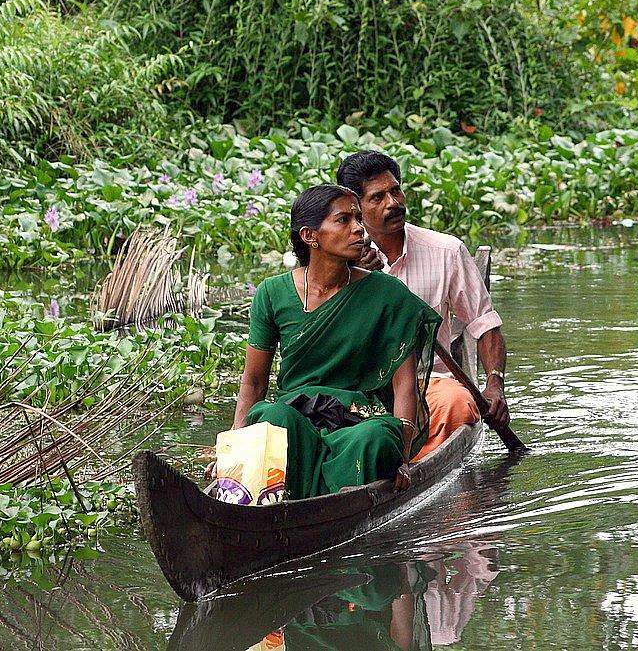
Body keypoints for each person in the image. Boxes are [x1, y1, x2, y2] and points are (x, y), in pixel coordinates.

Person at [219, 184, 442, 500]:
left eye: (358, 219)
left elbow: (404, 387)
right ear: (311, 236)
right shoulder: (272, 293)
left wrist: (403, 455)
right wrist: (232, 450)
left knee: (378, 436)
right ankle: (272, 502)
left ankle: (335, 507)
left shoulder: (387, 295)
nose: (359, 230)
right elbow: (253, 384)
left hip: (357, 420)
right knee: (270, 418)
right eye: (344, 221)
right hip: (295, 416)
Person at [336, 151, 510, 462]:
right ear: (356, 208)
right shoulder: (335, 258)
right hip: (356, 387)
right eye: (378, 197)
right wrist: (352, 275)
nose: (393, 203)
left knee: (456, 403)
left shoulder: (446, 251)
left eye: (396, 190)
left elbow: (485, 324)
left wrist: (494, 383)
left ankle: (408, 468)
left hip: (427, 384)